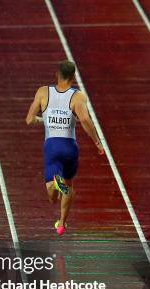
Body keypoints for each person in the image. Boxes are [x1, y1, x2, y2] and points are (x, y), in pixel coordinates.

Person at [25, 60, 103, 236]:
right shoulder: (78, 97)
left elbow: (29, 119)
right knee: (69, 183)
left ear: (56, 75)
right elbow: (84, 120)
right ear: (74, 77)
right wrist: (97, 142)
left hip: (52, 147)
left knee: (52, 194)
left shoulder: (43, 92)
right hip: (70, 147)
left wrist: (44, 119)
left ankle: (58, 185)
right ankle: (61, 223)